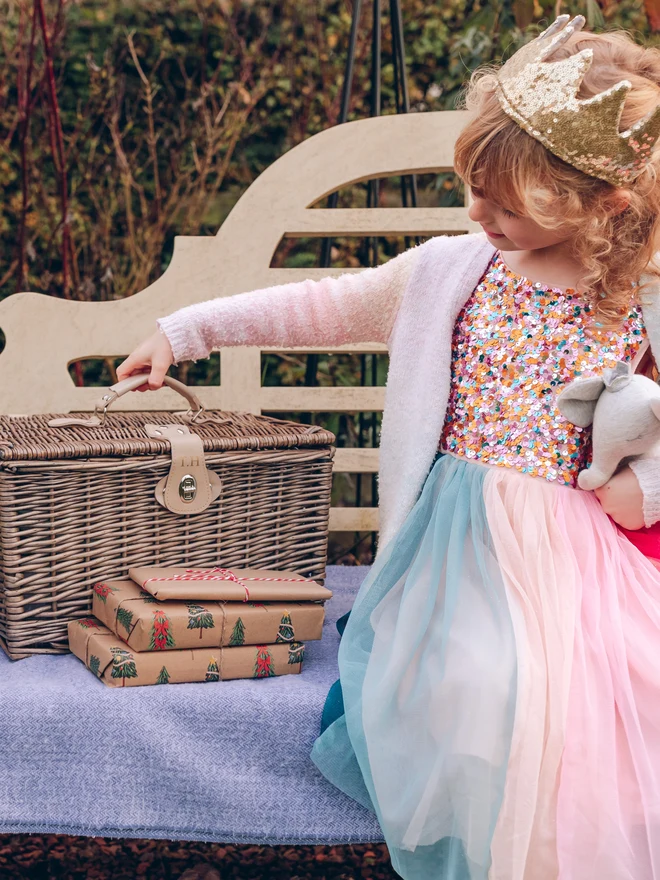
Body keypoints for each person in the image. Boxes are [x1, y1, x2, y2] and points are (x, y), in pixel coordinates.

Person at [117, 16, 660, 878]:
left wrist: (650, 489)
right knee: (481, 686)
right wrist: (186, 332)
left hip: (579, 554)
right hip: (456, 550)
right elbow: (319, 306)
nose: (480, 213)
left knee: (620, 689)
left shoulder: (637, 302)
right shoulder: (451, 270)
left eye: (508, 205)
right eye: (474, 189)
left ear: (605, 205)